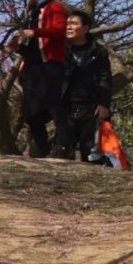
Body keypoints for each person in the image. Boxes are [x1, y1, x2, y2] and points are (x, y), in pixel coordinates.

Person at [8, 0, 68, 157]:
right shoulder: (31, 12)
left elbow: (59, 30)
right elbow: (32, 46)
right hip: (33, 68)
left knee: (54, 106)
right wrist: (17, 47)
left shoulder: (54, 8)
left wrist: (35, 32)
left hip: (49, 64)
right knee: (30, 113)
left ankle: (64, 147)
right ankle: (43, 151)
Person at [56, 9, 112, 162]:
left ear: (85, 29)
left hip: (91, 109)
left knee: (92, 154)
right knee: (63, 152)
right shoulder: (61, 50)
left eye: (73, 24)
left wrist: (103, 103)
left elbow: (104, 78)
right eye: (67, 24)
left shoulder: (98, 52)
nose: (68, 27)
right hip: (66, 107)